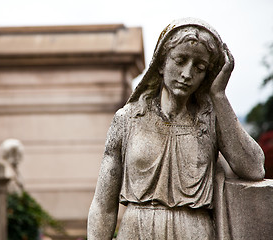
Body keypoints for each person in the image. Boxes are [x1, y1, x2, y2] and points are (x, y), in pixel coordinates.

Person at [87, 18, 265, 240]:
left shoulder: (211, 121)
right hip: (137, 230)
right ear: (161, 63)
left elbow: (254, 168)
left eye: (199, 67)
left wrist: (218, 96)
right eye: (180, 60)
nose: (187, 74)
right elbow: (104, 205)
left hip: (194, 232)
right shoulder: (128, 120)